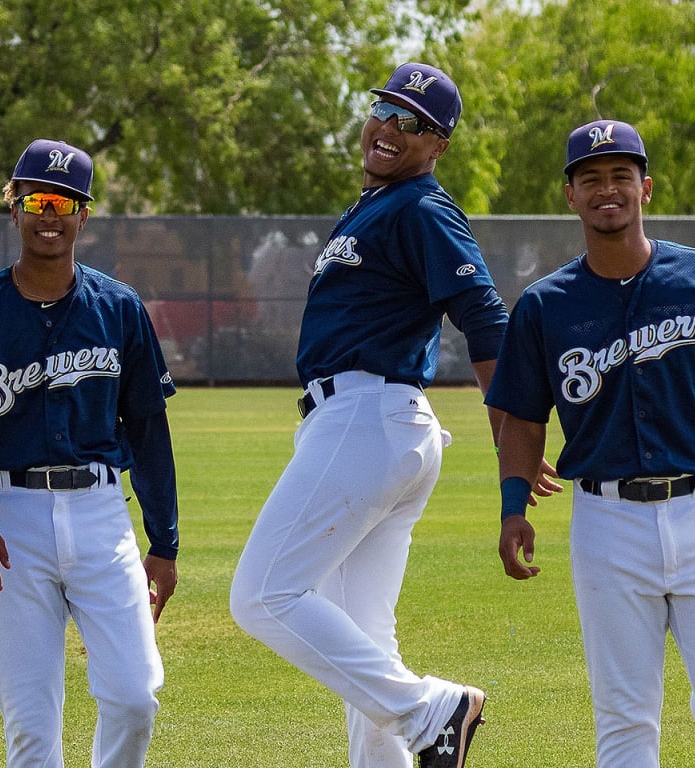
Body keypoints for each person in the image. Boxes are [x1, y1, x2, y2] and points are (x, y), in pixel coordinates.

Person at [229, 62, 554, 768]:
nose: (389, 128)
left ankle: (432, 708)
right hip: (374, 425)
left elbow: (486, 322)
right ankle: (414, 727)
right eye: (385, 108)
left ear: (438, 145)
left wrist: (512, 441)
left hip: (366, 419)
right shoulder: (377, 204)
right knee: (365, 644)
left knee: (260, 594)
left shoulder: (422, 209)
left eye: (414, 124)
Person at [488, 119, 695, 767]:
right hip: (606, 524)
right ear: (570, 195)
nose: (608, 190)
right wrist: (512, 508)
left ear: (646, 188)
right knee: (625, 717)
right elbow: (522, 419)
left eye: (620, 177)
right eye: (591, 179)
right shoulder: (545, 306)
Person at [0, 139, 179, 768]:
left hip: (99, 511)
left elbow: (147, 430)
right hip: (10, 517)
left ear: (83, 215)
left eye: (65, 201)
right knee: (31, 726)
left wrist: (164, 542)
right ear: (14, 207)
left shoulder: (118, 308)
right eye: (37, 199)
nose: (50, 214)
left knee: (136, 695)